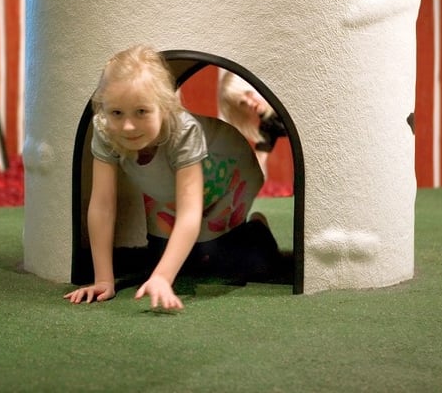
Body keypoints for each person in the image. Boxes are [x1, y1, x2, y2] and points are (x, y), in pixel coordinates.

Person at [65, 45, 286, 310]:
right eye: (117, 113)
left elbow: (190, 212)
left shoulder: (182, 132)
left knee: (217, 256)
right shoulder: (105, 130)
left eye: (141, 112)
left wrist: (162, 277)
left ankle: (256, 229)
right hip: (170, 183)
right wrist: (103, 279)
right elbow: (102, 204)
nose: (128, 126)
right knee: (163, 254)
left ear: (164, 107)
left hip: (227, 172)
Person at [218, 70, 287, 176]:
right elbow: (259, 160)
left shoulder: (287, 95)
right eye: (242, 103)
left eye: (248, 93)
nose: (249, 103)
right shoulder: (268, 124)